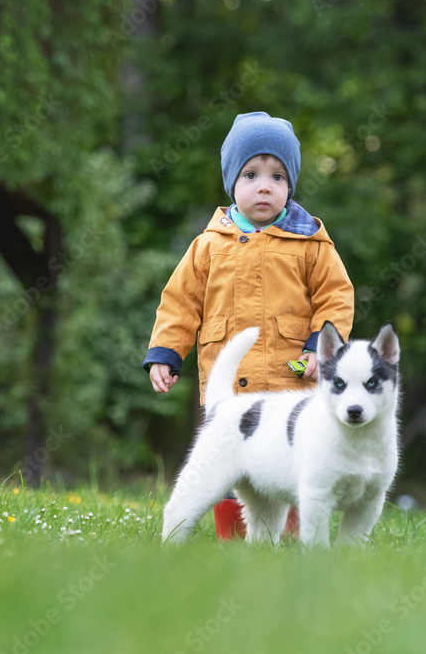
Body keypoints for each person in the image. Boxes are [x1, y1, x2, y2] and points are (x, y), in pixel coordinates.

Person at [143, 111, 354, 539]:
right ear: (231, 184)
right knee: (224, 456)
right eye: (251, 174)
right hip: (230, 383)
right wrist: (166, 352)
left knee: (294, 461)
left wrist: (319, 346)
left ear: (290, 186)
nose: (264, 186)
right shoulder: (208, 245)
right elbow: (180, 302)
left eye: (278, 176)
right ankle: (234, 540)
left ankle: (294, 538)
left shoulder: (311, 243)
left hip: (290, 382)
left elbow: (336, 296)